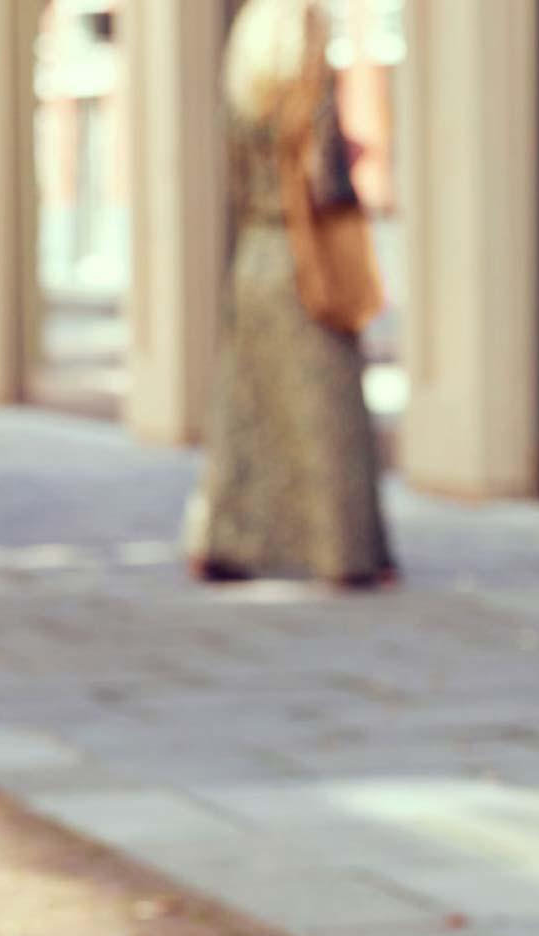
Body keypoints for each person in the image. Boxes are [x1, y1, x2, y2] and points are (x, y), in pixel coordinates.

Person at [184, 0, 394, 589]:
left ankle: (226, 540)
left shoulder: (240, 97)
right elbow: (328, 182)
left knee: (245, 404)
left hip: (253, 257)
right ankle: (343, 553)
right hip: (306, 261)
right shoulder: (309, 91)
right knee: (326, 408)